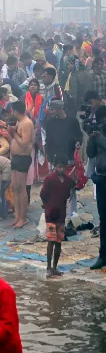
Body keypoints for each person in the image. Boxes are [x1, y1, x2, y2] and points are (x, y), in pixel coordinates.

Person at [40, 156, 74, 278]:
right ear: (55, 166)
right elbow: (42, 194)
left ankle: (55, 267)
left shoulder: (68, 180)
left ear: (65, 168)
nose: (61, 169)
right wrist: (46, 205)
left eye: (63, 167)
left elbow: (73, 186)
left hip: (61, 215)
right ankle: (49, 267)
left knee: (59, 241)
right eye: (59, 166)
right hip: (50, 215)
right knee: (51, 240)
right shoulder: (49, 179)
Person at [9, 100, 34, 228]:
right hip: (15, 157)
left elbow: (25, 143)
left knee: (21, 187)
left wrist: (13, 133)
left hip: (23, 158)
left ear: (15, 111)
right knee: (14, 187)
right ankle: (17, 215)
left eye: (12, 110)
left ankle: (23, 217)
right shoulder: (19, 122)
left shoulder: (27, 123)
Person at [87, 105, 106, 270]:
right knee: (103, 219)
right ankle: (103, 255)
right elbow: (91, 154)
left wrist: (101, 139)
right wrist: (91, 139)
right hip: (101, 179)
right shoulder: (99, 133)